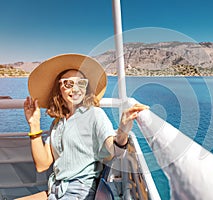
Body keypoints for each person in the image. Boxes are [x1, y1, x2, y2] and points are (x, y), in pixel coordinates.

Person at [19, 54, 148, 200]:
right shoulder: (57, 123)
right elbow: (42, 165)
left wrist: (123, 129)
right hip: (55, 190)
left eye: (81, 83)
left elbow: (114, 149)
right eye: (68, 84)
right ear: (58, 89)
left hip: (80, 191)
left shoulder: (94, 114)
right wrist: (34, 124)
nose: (75, 89)